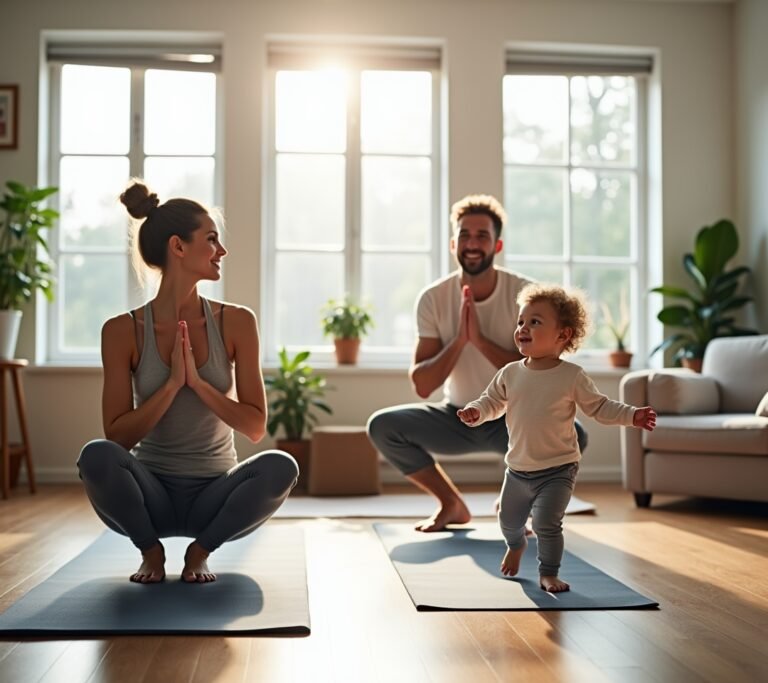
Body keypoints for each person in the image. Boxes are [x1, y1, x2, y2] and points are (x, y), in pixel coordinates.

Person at [77, 181, 298, 584]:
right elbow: (117, 438)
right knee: (96, 455)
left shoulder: (237, 322)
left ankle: (200, 551)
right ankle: (151, 551)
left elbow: (254, 427)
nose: (222, 251)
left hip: (216, 496)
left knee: (281, 465)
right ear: (178, 247)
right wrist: (171, 384)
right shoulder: (121, 331)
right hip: (149, 496)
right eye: (211, 239)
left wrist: (197, 383)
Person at [367, 194, 587, 532]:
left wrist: (481, 341)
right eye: (465, 235)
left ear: (497, 245)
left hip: (515, 420)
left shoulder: (526, 296)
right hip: (459, 416)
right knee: (382, 426)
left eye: (482, 236)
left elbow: (544, 368)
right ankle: (450, 504)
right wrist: (459, 340)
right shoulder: (432, 298)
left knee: (575, 434)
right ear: (454, 243)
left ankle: (513, 501)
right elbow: (423, 385)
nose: (472, 243)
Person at [457, 283, 656, 592]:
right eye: (521, 321)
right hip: (518, 469)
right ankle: (516, 544)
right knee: (508, 520)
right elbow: (491, 401)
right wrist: (476, 411)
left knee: (547, 524)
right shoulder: (510, 373)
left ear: (563, 335)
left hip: (558, 469)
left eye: (535, 322)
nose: (523, 328)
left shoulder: (571, 376)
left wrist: (632, 415)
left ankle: (548, 572)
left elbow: (600, 407)